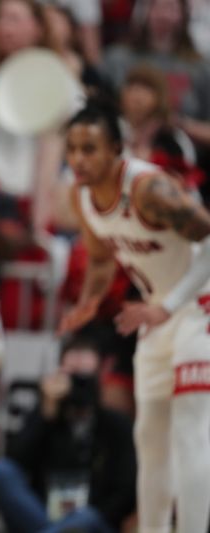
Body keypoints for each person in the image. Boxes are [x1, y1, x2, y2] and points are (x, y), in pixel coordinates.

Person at [59, 102, 210, 533]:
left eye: (90, 149)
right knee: (150, 441)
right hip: (157, 313)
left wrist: (167, 305)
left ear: (116, 150)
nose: (78, 160)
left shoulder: (149, 189)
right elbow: (103, 260)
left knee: (189, 433)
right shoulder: (82, 195)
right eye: (71, 149)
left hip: (199, 304)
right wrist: (89, 301)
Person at [0, 335, 136, 533]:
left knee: (86, 517)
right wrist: (47, 412)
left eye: (85, 377)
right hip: (43, 515)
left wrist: (85, 518)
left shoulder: (116, 425)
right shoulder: (48, 415)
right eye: (73, 376)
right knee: (0, 471)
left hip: (92, 521)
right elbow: (16, 463)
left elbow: (126, 492)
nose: (79, 386)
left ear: (100, 374)